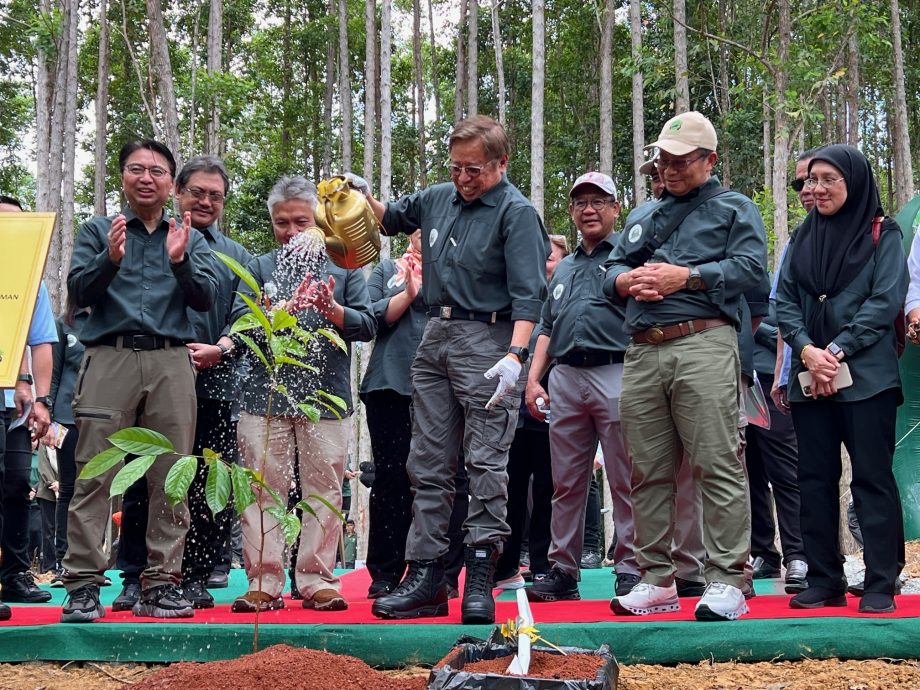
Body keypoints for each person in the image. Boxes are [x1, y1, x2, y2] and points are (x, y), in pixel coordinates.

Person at [364, 115, 549, 624]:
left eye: (475, 170)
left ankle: (481, 577)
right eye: (457, 167)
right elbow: (390, 218)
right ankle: (426, 577)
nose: (464, 178)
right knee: (427, 462)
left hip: (489, 340)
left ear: (501, 164)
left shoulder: (516, 213)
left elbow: (529, 294)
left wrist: (515, 356)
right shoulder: (438, 196)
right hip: (434, 335)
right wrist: (359, 196)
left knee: (487, 463)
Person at [604, 111, 767, 622]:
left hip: (703, 343)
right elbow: (608, 271)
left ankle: (727, 581)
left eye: (679, 162)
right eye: (662, 162)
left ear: (709, 160)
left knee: (716, 462)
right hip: (642, 349)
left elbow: (751, 270)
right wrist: (626, 284)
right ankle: (655, 579)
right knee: (646, 469)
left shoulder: (735, 208)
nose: (668, 170)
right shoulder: (641, 215)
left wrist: (688, 277)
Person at [60, 139, 219, 623]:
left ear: (172, 183)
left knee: (171, 476)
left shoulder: (187, 235)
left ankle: (161, 584)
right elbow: (78, 293)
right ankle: (84, 586)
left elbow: (206, 300)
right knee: (95, 472)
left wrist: (179, 260)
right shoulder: (96, 230)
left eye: (156, 171)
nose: (146, 177)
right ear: (124, 177)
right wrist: (109, 258)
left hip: (172, 362)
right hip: (110, 356)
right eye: (136, 169)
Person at [229, 175, 374, 613]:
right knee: (260, 488)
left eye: (301, 221)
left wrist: (334, 311)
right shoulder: (258, 267)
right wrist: (275, 313)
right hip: (263, 398)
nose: (291, 231)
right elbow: (239, 323)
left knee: (325, 489)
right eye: (281, 222)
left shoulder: (344, 265)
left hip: (326, 399)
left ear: (320, 221)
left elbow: (367, 324)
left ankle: (316, 579)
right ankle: (264, 581)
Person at [776, 144, 907, 615]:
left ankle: (879, 581)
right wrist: (807, 350)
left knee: (871, 478)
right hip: (811, 377)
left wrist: (836, 349)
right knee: (813, 478)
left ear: (853, 181)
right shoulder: (801, 236)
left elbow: (886, 299)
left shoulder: (882, 234)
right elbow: (784, 301)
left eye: (828, 178)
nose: (817, 188)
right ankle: (824, 579)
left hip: (867, 377)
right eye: (812, 180)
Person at [525, 172, 640, 602]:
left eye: (598, 201)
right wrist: (534, 379)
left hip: (617, 370)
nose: (588, 209)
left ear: (615, 208)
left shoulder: (631, 255)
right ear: (572, 212)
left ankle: (630, 567)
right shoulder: (565, 266)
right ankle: (562, 570)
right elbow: (546, 326)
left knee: (626, 476)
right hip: (566, 377)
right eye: (580, 203)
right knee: (565, 481)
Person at [494, 233, 569, 589]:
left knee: (549, 490)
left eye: (551, 258)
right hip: (511, 408)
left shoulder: (566, 297)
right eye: (538, 258)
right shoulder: (516, 296)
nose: (544, 265)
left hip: (555, 407)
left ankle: (543, 565)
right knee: (509, 487)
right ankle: (506, 564)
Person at [359, 230, 428, 598]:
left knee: (441, 480)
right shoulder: (387, 268)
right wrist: (407, 292)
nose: (423, 233)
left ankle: (436, 571)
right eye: (417, 228)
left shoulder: (455, 268)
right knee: (390, 477)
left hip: (441, 387)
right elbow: (371, 319)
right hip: (389, 383)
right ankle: (385, 572)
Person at [0, 195, 57, 615]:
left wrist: (41, 399)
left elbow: (41, 344)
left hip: (17, 404)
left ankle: (15, 575)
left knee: (18, 484)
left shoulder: (32, 282)